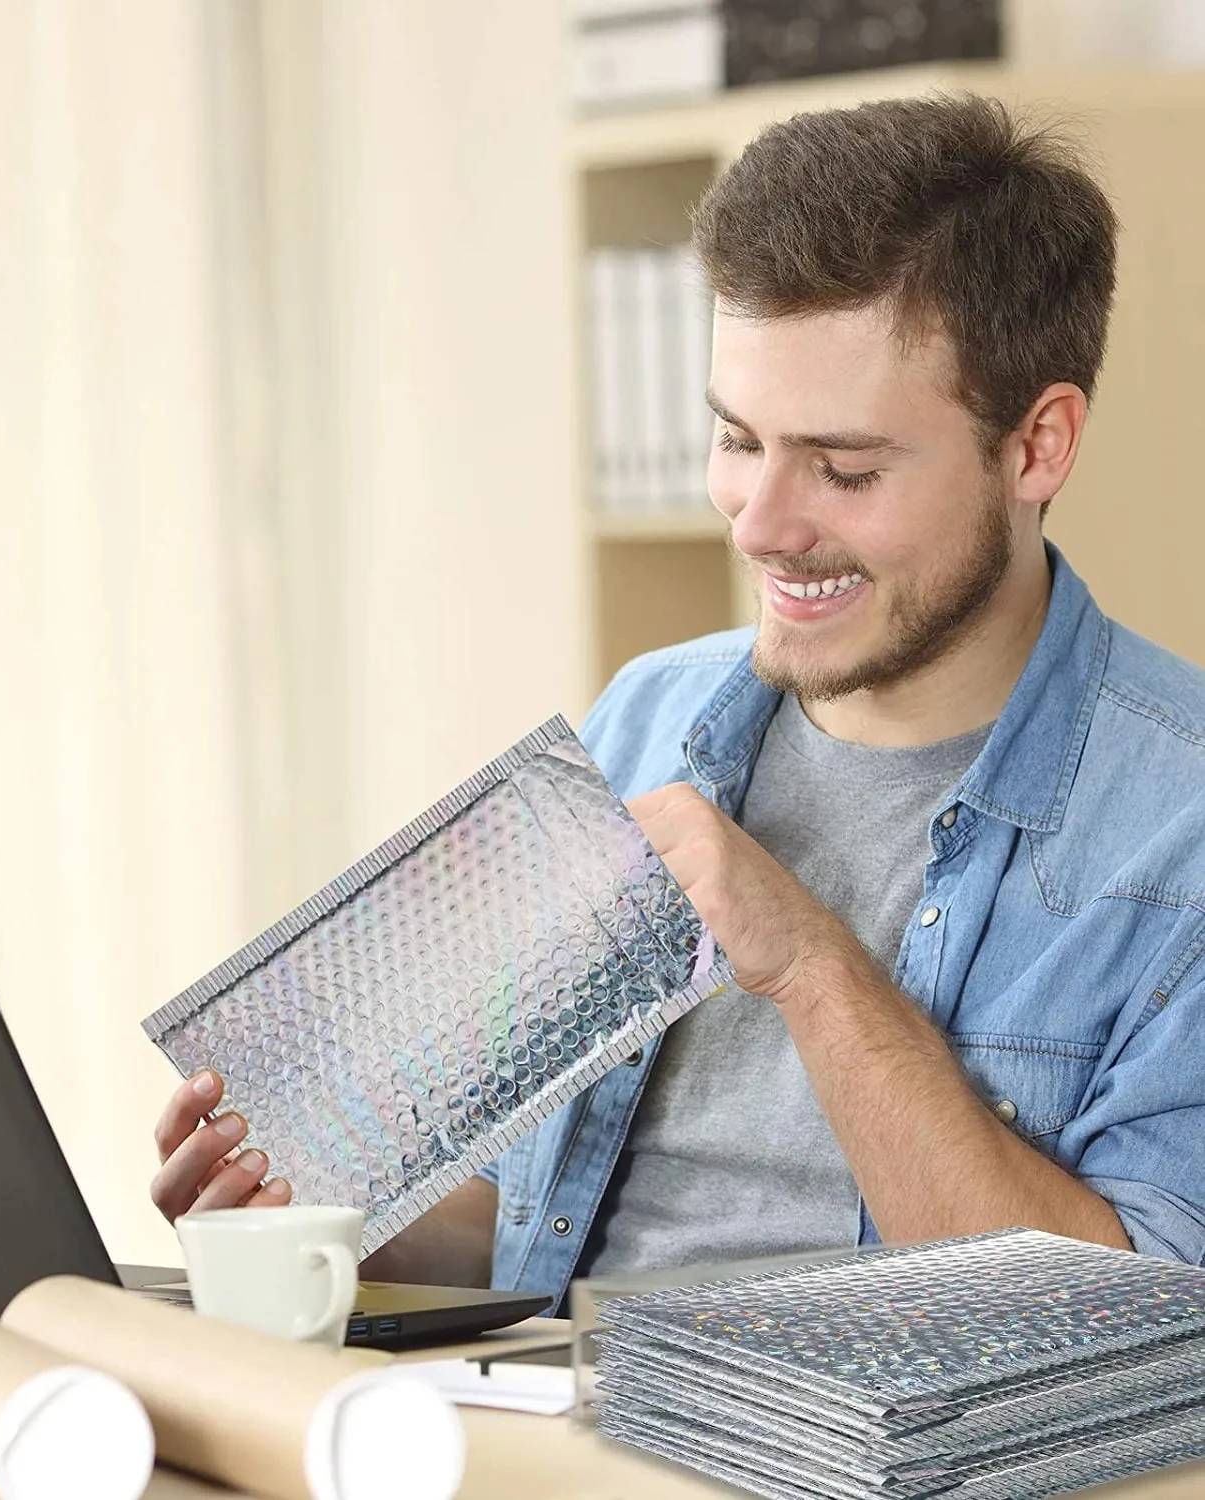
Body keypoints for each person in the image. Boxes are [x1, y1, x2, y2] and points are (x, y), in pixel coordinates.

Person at [151, 94, 1205, 1306]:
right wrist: (309, 1223)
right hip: (554, 1435)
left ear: (1038, 448)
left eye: (845, 467)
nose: (759, 523)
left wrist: (809, 963)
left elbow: (1126, 1337)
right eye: (737, 440)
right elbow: (525, 1233)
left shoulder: (1178, 832)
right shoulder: (649, 718)